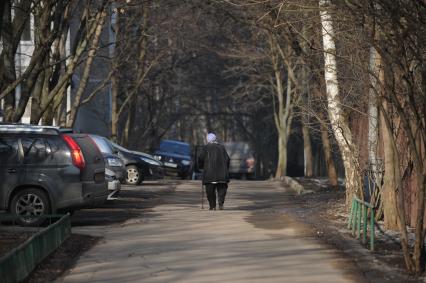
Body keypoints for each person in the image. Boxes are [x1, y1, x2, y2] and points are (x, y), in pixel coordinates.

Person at [199, 132, 230, 210]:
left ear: (207, 140)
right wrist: (226, 169)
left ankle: (212, 206)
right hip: (221, 174)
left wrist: (201, 167)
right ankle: (220, 203)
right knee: (222, 189)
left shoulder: (206, 148)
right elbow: (227, 159)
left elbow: (200, 159)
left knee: (210, 191)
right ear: (215, 139)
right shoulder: (222, 147)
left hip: (209, 174)